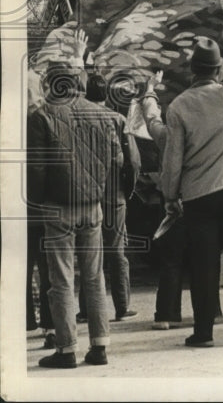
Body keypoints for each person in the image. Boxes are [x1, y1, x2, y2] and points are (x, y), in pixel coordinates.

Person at [139, 5, 223, 348]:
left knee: (204, 265)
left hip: (199, 197)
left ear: (193, 71)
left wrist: (170, 197)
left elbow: (173, 159)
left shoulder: (180, 106)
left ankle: (204, 333)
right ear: (220, 68)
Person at [27, 44, 123, 369]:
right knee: (95, 277)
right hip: (92, 206)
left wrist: (38, 202)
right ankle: (100, 346)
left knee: (62, 280)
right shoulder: (99, 113)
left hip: (58, 207)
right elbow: (112, 160)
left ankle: (66, 349)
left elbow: (37, 168)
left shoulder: (40, 116)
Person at [76, 74, 138, 325]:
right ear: (106, 96)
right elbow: (133, 161)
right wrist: (128, 190)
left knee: (89, 252)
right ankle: (122, 307)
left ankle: (86, 309)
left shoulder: (77, 120)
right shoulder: (118, 120)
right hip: (114, 195)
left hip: (85, 194)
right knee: (117, 252)